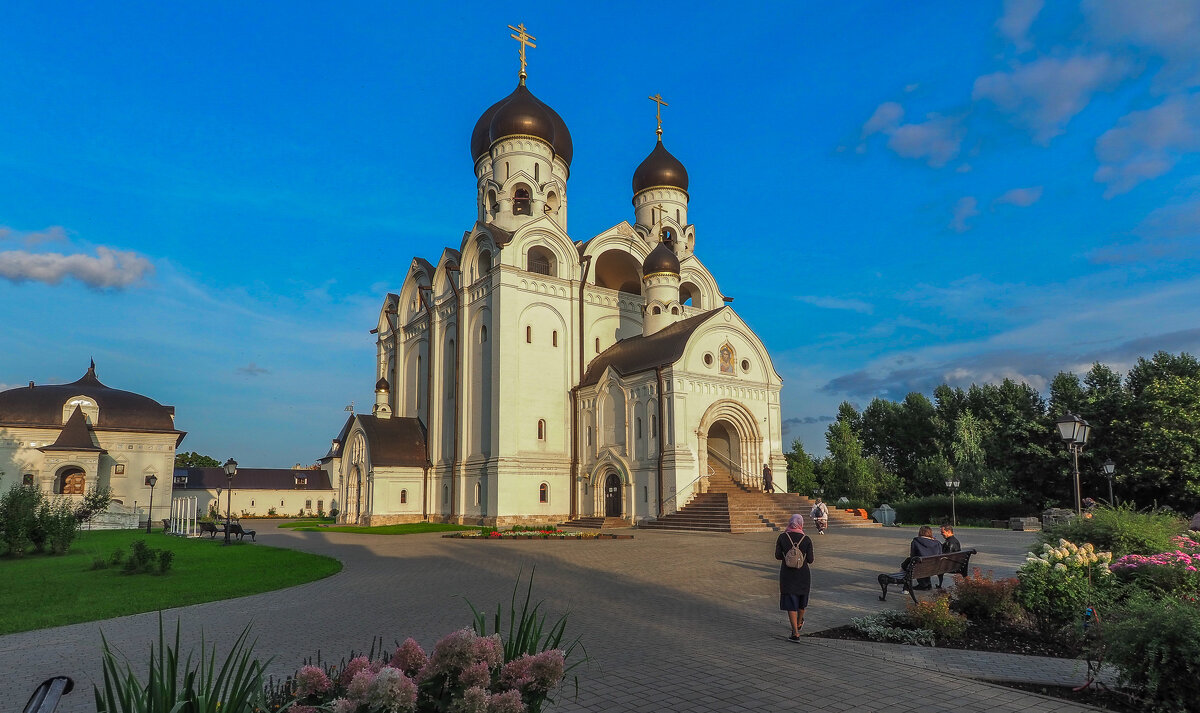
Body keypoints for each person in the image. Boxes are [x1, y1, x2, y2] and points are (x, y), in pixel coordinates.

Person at [774, 514, 814, 642]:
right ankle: (799, 623)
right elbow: (811, 559)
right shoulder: (806, 539)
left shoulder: (782, 537)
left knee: (791, 603)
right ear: (801, 523)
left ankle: (795, 633)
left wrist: (789, 556)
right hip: (803, 574)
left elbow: (778, 556)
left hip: (788, 574)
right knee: (802, 601)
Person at [907, 525, 941, 590]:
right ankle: (927, 584)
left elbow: (912, 555)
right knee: (927, 563)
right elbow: (940, 554)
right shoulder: (937, 542)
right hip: (935, 567)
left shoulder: (915, 541)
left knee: (914, 562)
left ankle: (923, 584)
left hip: (921, 567)